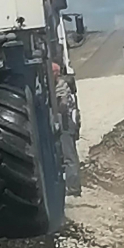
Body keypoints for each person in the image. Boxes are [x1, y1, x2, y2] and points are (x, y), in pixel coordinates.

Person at [53, 62, 81, 197]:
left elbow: (63, 105)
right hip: (68, 122)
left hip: (65, 123)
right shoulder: (62, 84)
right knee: (68, 156)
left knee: (69, 157)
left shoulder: (60, 86)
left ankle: (74, 188)